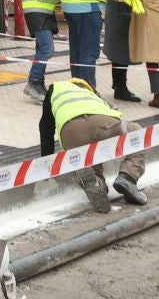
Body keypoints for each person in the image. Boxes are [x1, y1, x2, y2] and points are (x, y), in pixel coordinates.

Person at [39, 77, 147, 213]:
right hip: (102, 122)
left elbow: (45, 128)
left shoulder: (54, 90)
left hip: (71, 133)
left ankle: (98, 184)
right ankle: (128, 176)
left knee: (89, 161)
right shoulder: (90, 92)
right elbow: (114, 110)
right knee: (136, 133)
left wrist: (46, 165)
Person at [16, 0, 59, 102]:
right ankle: (33, 83)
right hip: (37, 13)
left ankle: (38, 84)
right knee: (47, 49)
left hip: (43, 13)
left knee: (42, 49)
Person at [102, 0, 142, 103]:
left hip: (126, 17)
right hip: (118, 18)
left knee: (122, 55)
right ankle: (120, 88)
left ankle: (119, 86)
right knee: (119, 55)